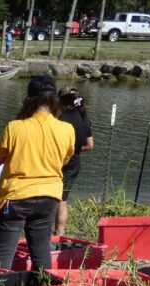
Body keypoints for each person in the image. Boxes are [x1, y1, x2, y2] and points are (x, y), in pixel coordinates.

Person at [0, 75, 75, 271]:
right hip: (49, 196)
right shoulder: (67, 129)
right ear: (55, 99)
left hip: (16, 196)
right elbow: (65, 160)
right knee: (41, 250)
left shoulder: (15, 127)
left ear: (28, 100)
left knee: (4, 252)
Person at [55, 87, 94, 235]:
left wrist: (68, 152)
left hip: (63, 165)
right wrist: (75, 150)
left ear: (62, 101)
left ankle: (57, 234)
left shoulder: (63, 119)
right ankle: (58, 233)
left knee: (58, 202)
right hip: (74, 165)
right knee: (61, 201)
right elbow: (90, 145)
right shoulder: (84, 117)